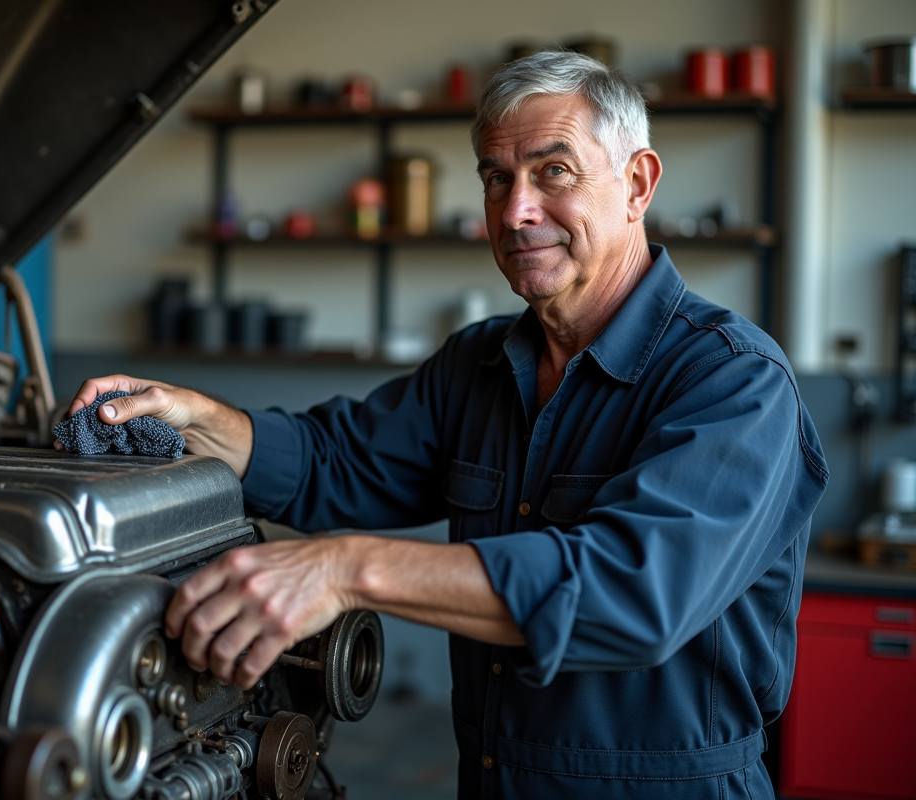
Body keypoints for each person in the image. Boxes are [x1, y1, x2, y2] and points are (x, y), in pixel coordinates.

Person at [64, 51, 828, 799]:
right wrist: (198, 419)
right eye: (497, 179)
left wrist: (341, 569)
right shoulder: (480, 363)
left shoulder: (733, 380)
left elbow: (633, 591)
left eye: (553, 171)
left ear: (637, 184)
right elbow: (340, 461)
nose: (516, 210)